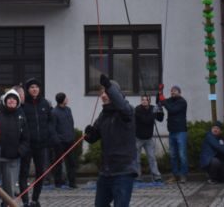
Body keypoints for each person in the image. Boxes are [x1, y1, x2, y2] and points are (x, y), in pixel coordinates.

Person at [84, 74, 137, 207]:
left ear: (115, 93)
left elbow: (122, 107)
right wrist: (89, 135)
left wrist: (109, 86)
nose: (103, 95)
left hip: (124, 171)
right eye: (101, 92)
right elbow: (94, 136)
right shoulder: (103, 115)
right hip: (106, 172)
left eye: (106, 92)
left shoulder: (127, 111)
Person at [19, 78, 53, 207]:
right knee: (24, 173)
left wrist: (49, 134)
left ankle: (35, 199)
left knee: (41, 172)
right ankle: (25, 201)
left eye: (36, 87)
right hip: (27, 145)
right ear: (28, 90)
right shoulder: (23, 105)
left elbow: (50, 120)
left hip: (41, 145)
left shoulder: (45, 103)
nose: (34, 89)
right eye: (32, 87)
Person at [0, 90, 28, 205]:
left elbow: (26, 138)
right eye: (9, 98)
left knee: (9, 190)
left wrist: (19, 151)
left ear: (18, 102)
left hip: (12, 159)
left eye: (14, 99)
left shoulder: (21, 117)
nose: (12, 100)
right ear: (5, 100)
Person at [160, 85, 189, 182]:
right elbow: (160, 102)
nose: (173, 92)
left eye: (175, 91)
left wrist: (163, 101)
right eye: (172, 91)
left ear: (179, 92)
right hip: (172, 131)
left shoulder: (182, 102)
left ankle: (183, 175)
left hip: (181, 131)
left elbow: (172, 110)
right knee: (173, 155)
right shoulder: (170, 100)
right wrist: (160, 92)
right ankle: (175, 175)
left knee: (182, 155)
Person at [133, 95, 163, 183]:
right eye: (142, 100)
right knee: (137, 159)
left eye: (146, 100)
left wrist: (160, 109)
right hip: (138, 138)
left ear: (149, 101)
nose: (144, 101)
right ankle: (138, 177)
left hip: (149, 138)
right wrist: (154, 113)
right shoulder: (138, 109)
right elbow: (145, 120)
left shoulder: (153, 108)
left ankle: (157, 176)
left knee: (152, 157)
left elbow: (160, 119)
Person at [51, 92, 77, 189]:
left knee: (71, 162)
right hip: (60, 142)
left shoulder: (68, 110)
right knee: (58, 163)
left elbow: (71, 123)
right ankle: (58, 183)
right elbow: (52, 128)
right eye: (66, 98)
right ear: (62, 100)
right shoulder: (54, 112)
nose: (67, 99)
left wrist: (72, 136)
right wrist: (57, 140)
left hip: (69, 140)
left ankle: (72, 182)